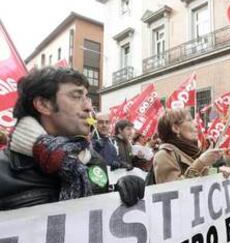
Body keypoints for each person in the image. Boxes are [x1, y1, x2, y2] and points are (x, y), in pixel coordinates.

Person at [0, 67, 144, 210]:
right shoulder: (3, 170)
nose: (89, 107)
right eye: (76, 96)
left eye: (87, 97)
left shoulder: (92, 160)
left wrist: (116, 196)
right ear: (44, 105)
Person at [153, 108, 225, 184]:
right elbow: (173, 191)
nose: (196, 124)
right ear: (176, 128)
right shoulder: (164, 155)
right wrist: (201, 162)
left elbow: (203, 174)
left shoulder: (188, 152)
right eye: (190, 120)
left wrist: (218, 172)